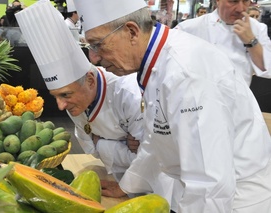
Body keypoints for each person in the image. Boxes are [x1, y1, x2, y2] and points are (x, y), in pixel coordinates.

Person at [74, 0, 271, 212]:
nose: (94, 58)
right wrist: (128, 185)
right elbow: (157, 140)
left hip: (237, 202)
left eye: (97, 44)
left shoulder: (185, 75)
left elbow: (210, 184)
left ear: (131, 32)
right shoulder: (157, 61)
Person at [14, 0, 176, 207]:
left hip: (158, 190)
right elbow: (91, 148)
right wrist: (120, 143)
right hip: (113, 179)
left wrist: (123, 178)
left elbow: (153, 156)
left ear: (90, 81)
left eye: (65, 94)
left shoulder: (130, 94)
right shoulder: (75, 99)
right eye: (56, 96)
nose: (61, 106)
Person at [175, 0, 271, 86]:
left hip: (239, 100)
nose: (240, 9)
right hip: (200, 99)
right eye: (233, 1)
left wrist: (251, 41)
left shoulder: (257, 28)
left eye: (245, 1)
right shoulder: (189, 28)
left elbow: (267, 69)